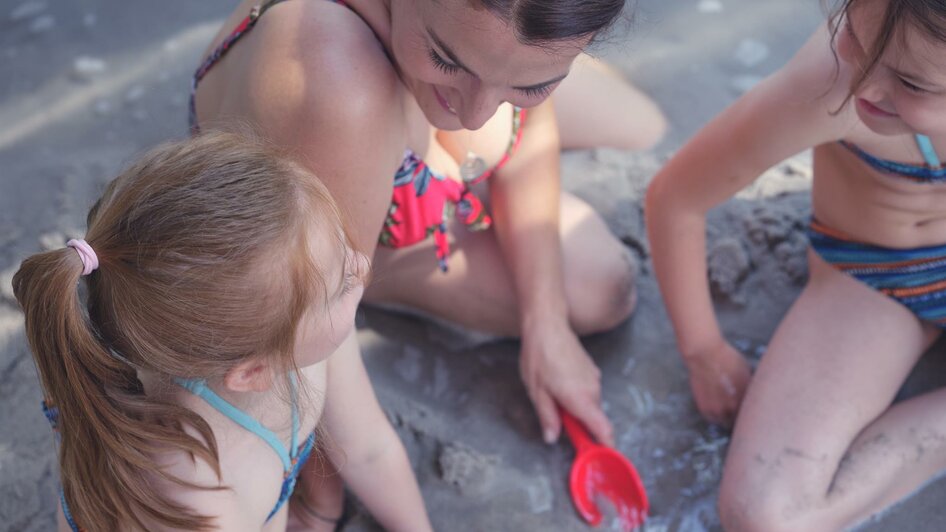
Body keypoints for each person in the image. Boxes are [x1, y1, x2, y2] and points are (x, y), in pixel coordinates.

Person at [190, 0, 666, 524]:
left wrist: (546, 324)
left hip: (455, 63)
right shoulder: (340, 89)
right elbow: (313, 327)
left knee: (644, 125)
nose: (478, 113)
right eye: (446, 59)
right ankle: (383, 275)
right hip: (335, 157)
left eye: (532, 86)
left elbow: (527, 129)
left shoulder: (508, 38)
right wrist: (318, 486)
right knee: (601, 284)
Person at [14, 131, 432, 532]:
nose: (361, 266)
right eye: (341, 285)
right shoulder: (190, 490)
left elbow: (370, 450)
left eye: (343, 249)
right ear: (252, 373)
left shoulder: (297, 337)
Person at [647, 0, 946, 529]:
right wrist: (703, 351)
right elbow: (677, 197)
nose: (868, 87)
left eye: (912, 83)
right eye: (856, 33)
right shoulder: (829, 84)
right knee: (766, 514)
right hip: (877, 268)